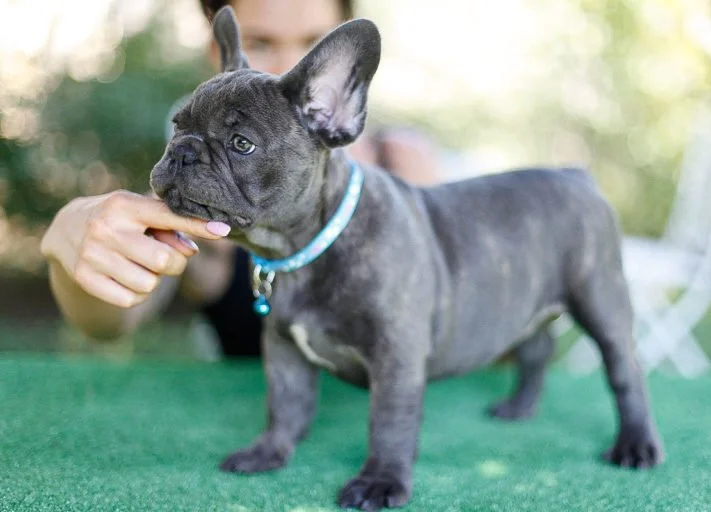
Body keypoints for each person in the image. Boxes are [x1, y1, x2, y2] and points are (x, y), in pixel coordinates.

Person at [40, 0, 442, 358]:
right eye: (261, 43)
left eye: (313, 45)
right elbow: (108, 322)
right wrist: (71, 244)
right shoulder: (209, 186)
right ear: (221, 52)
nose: (288, 64)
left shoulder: (402, 163)